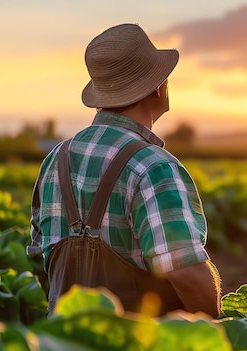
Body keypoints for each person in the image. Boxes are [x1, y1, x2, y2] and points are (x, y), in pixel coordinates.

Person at [28, 23, 221, 318]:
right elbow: (186, 274)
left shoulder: (56, 158)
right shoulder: (154, 167)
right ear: (158, 88)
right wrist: (216, 327)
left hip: (63, 338)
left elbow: (39, 252)